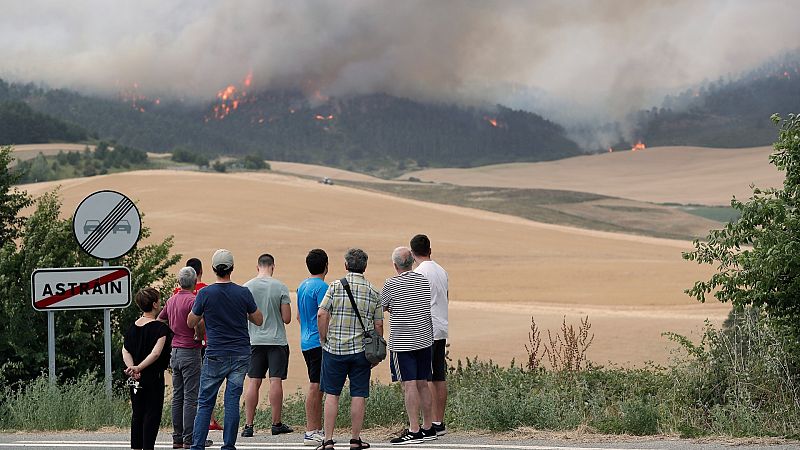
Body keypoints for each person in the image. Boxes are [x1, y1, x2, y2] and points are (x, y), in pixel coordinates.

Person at [188, 249, 264, 450]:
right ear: (232, 268)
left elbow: (190, 321)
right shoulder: (243, 293)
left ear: (213, 269)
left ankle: (197, 446)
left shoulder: (205, 294)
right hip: (240, 353)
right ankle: (228, 445)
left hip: (215, 353)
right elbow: (258, 319)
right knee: (232, 401)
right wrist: (242, 311)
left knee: (205, 401)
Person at [317, 248, 383, 450]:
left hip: (334, 349)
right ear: (365, 266)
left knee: (332, 394)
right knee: (358, 394)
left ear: (346, 265)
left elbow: (322, 314)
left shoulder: (335, 286)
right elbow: (378, 325)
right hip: (361, 352)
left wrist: (324, 338)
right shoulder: (373, 291)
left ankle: (328, 439)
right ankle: (355, 439)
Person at [381, 247, 436, 445]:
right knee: (423, 382)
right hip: (424, 339)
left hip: (403, 342)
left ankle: (414, 430)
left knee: (409, 384)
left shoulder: (390, 284)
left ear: (395, 265)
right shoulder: (423, 280)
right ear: (412, 262)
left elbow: (383, 306)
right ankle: (428, 427)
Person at [159, 267, 212, 449]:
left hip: (175, 351)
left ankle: (177, 437)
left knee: (177, 396)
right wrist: (198, 334)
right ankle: (190, 438)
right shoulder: (194, 300)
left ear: (179, 282)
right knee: (191, 397)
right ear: (195, 281)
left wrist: (170, 335)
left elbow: (160, 320)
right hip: (190, 350)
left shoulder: (171, 300)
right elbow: (200, 322)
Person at [241, 253, 293, 437]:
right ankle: (276, 423)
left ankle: (248, 426)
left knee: (253, 381)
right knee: (275, 380)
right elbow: (286, 319)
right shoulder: (281, 287)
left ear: (257, 267)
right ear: (273, 266)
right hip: (276, 340)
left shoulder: (246, 287)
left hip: (254, 341)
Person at [122, 287, 172, 450]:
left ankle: (135, 447)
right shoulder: (160, 329)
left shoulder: (132, 327)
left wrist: (132, 368)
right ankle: (148, 447)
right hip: (153, 377)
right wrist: (139, 367)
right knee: (152, 414)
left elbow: (125, 350)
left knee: (137, 413)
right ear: (155, 304)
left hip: (134, 379)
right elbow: (156, 353)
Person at [177, 257, 222, 432]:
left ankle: (184, 423)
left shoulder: (177, 292)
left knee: (183, 389)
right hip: (204, 342)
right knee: (206, 382)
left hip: (181, 344)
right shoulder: (207, 290)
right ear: (200, 273)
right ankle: (209, 419)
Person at [410, 234, 449, 436]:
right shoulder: (442, 271)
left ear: (412, 253)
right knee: (438, 376)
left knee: (423, 378)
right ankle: (438, 420)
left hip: (427, 328)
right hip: (441, 326)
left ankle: (428, 423)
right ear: (430, 250)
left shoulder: (418, 273)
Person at [296, 249, 329, 445]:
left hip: (305, 340)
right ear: (326, 266)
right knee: (316, 386)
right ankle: (312, 429)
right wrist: (324, 337)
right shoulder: (323, 287)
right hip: (318, 342)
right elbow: (322, 315)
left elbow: (300, 317)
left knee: (316, 384)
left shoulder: (302, 285)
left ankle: (315, 428)